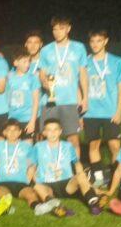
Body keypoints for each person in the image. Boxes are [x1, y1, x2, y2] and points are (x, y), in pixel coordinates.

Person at [37, 16, 89, 156]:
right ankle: (49, 166)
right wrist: (45, 83)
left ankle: (75, 168)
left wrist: (85, 98)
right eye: (55, 29)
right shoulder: (46, 50)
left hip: (70, 101)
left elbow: (83, 75)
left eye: (61, 28)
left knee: (73, 139)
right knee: (47, 138)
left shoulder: (79, 48)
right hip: (50, 101)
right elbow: (42, 73)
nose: (57, 32)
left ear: (68, 29)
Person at [83, 30, 121, 188]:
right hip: (91, 112)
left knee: (115, 146)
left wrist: (119, 111)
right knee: (93, 146)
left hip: (110, 112)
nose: (95, 44)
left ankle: (117, 177)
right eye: (92, 41)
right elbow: (80, 88)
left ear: (106, 41)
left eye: (99, 40)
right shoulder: (85, 62)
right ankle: (99, 178)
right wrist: (81, 113)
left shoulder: (116, 61)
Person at [31, 119, 102, 217]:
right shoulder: (38, 147)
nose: (52, 133)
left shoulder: (68, 146)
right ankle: (58, 208)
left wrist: (84, 180)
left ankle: (94, 204)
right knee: (37, 186)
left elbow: (77, 163)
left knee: (81, 175)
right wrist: (35, 181)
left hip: (67, 184)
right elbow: (32, 166)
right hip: (47, 184)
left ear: (60, 131)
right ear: (44, 132)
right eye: (49, 130)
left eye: (55, 130)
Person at [0, 121, 42, 212]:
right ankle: (7, 208)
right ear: (4, 132)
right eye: (9, 130)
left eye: (15, 130)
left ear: (20, 132)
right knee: (1, 193)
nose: (12, 133)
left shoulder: (26, 146)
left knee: (31, 194)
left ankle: (37, 207)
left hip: (21, 182)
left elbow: (32, 165)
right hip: (3, 182)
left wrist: (27, 180)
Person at [5, 50, 41, 139]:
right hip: (13, 117)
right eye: (24, 62)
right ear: (15, 63)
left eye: (29, 61)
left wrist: (32, 121)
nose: (27, 64)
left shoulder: (32, 78)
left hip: (27, 118)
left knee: (28, 144)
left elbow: (36, 101)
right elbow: (6, 96)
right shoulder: (9, 77)